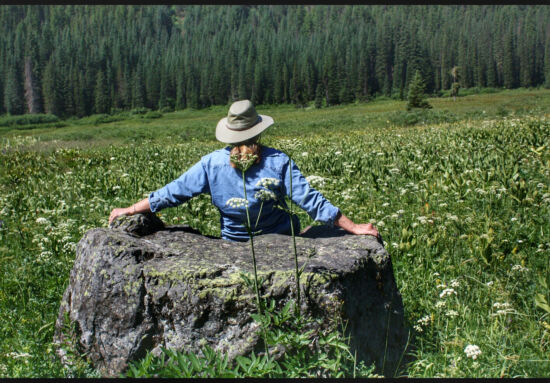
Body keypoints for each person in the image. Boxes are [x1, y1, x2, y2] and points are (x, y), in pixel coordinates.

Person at [108, 100, 380, 242]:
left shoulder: (211, 164)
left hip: (233, 244)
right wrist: (352, 227)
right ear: (258, 130)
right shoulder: (277, 161)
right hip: (283, 240)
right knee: (307, 230)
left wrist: (129, 210)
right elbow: (310, 200)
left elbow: (171, 194)